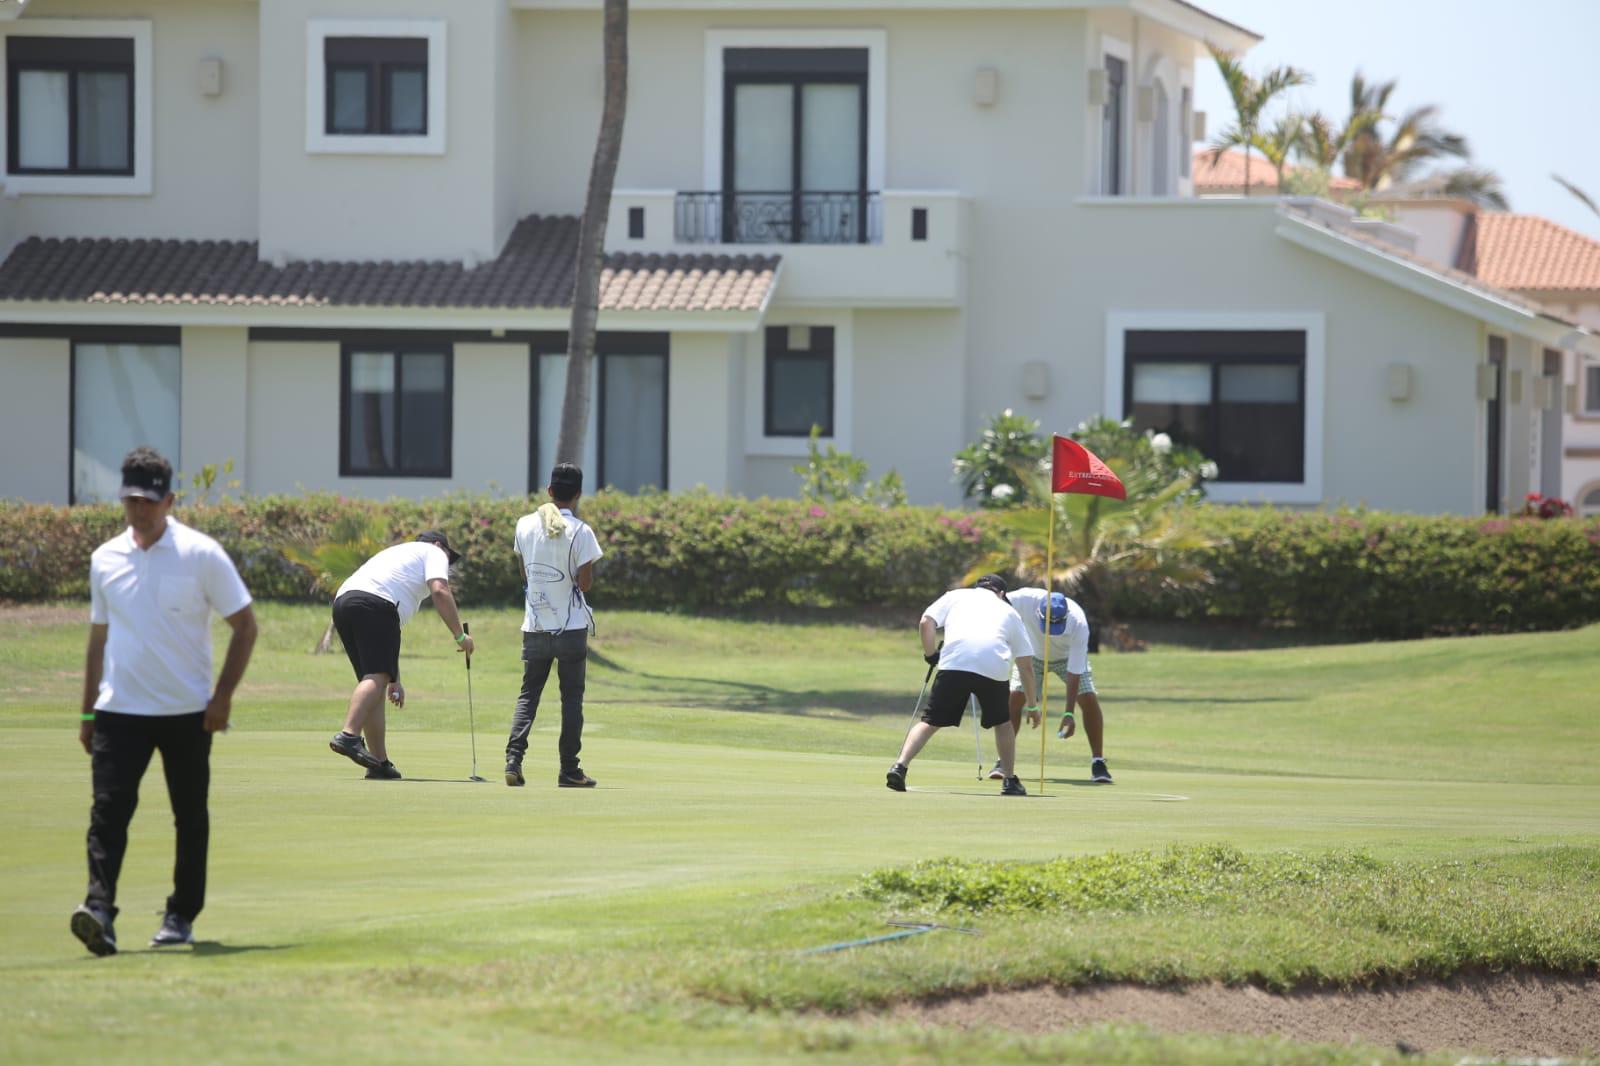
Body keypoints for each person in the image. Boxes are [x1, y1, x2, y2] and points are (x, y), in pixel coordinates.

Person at [72, 446, 258, 956]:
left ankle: (181, 914)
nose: (140, 510)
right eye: (132, 500)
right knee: (107, 813)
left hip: (187, 713)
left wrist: (222, 698)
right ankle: (99, 911)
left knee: (189, 816)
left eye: (149, 502)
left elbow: (245, 626)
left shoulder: (201, 555)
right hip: (119, 711)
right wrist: (88, 711)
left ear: (169, 500)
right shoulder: (104, 559)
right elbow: (98, 639)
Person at [327, 531, 473, 780]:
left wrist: (394, 678)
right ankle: (349, 735)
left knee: (373, 677)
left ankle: (378, 763)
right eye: (449, 557)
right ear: (439, 545)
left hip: (344, 604)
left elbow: (386, 639)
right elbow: (440, 591)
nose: (447, 563)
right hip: (375, 605)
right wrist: (460, 636)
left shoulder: (399, 555)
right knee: (376, 676)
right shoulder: (434, 551)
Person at [886, 573, 1039, 796]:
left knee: (930, 721)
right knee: (1003, 723)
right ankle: (1009, 780)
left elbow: (925, 622)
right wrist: (1033, 705)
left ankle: (899, 766)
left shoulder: (955, 596)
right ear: (1001, 593)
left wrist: (930, 655)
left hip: (954, 664)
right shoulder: (1010, 612)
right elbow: (1025, 666)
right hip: (993, 667)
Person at [504, 462, 603, 788]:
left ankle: (513, 759)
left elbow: (524, 573)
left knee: (528, 695)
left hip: (534, 626)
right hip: (570, 628)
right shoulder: (581, 531)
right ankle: (569, 770)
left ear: (549, 490)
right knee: (571, 698)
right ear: (577, 495)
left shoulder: (523, 525)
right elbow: (585, 584)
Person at [989, 588, 1114, 784]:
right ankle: (1002, 761)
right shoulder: (1024, 599)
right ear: (1038, 612)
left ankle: (1098, 762)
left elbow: (1075, 671)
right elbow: (995, 603)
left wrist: (1068, 714)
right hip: (1032, 655)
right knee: (1014, 698)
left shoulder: (1078, 621)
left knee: (1088, 697)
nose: (1051, 632)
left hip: (1066, 659)